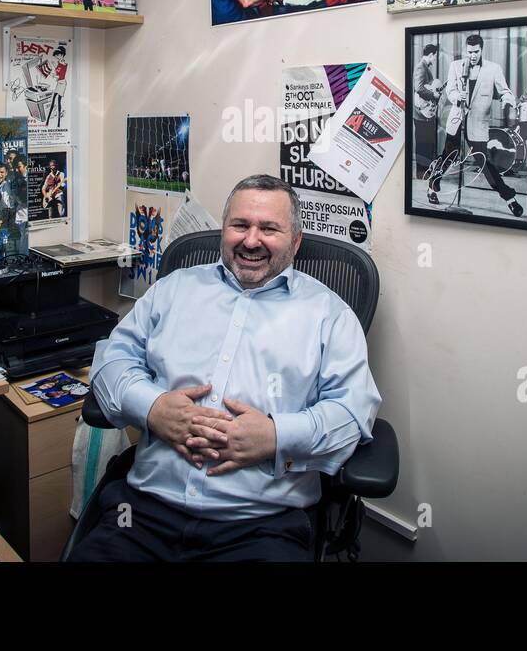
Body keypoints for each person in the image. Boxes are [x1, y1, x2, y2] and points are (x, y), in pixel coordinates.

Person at [71, 174, 380, 562]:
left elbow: (352, 415)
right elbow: (112, 361)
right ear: (224, 230)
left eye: (269, 228)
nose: (251, 240)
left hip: (261, 527)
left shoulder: (330, 315)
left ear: (296, 241)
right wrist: (152, 408)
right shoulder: (173, 289)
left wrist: (275, 436)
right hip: (144, 512)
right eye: (240, 225)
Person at [425, 34, 524, 218]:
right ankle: (432, 186)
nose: (472, 55)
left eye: (476, 52)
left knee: (485, 163)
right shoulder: (456, 66)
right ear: (465, 50)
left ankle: (509, 199)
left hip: (477, 124)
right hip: (457, 121)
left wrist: (507, 102)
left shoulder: (493, 69)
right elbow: (450, 89)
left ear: (481, 50)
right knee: (448, 157)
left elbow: (505, 91)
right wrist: (456, 98)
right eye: (469, 52)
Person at [412, 43, 443, 175]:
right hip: (421, 114)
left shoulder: (424, 67)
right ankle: (421, 172)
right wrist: (434, 95)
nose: (435, 59)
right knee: (423, 143)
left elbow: (426, 86)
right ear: (431, 55)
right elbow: (418, 88)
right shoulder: (421, 68)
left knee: (425, 143)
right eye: (435, 56)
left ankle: (424, 171)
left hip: (424, 113)